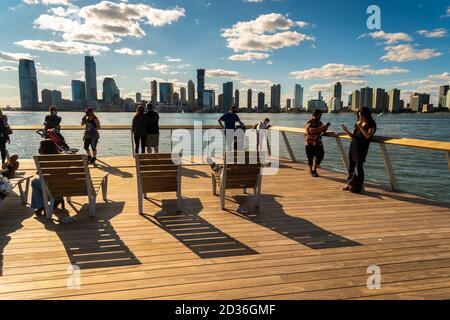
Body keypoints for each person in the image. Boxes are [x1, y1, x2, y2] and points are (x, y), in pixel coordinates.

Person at [341, 107, 377, 193]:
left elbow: (368, 136)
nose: (359, 117)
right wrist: (347, 131)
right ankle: (349, 184)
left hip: (361, 149)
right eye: (359, 115)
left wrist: (360, 126)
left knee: (359, 167)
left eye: (361, 115)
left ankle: (360, 187)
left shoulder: (371, 125)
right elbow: (354, 136)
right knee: (351, 168)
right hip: (353, 147)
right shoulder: (357, 124)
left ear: (366, 115)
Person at [31, 139, 63, 217]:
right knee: (42, 182)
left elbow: (39, 174)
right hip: (63, 185)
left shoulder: (42, 160)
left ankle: (41, 205)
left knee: (35, 181)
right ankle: (56, 199)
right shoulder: (61, 158)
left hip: (50, 185)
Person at [305, 110, 330, 177]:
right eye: (319, 115)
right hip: (309, 143)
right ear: (314, 115)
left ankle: (314, 169)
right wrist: (322, 127)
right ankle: (311, 171)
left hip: (318, 143)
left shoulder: (320, 123)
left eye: (321, 115)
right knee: (310, 157)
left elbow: (322, 131)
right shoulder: (309, 122)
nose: (320, 117)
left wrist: (326, 127)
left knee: (320, 156)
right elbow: (312, 130)